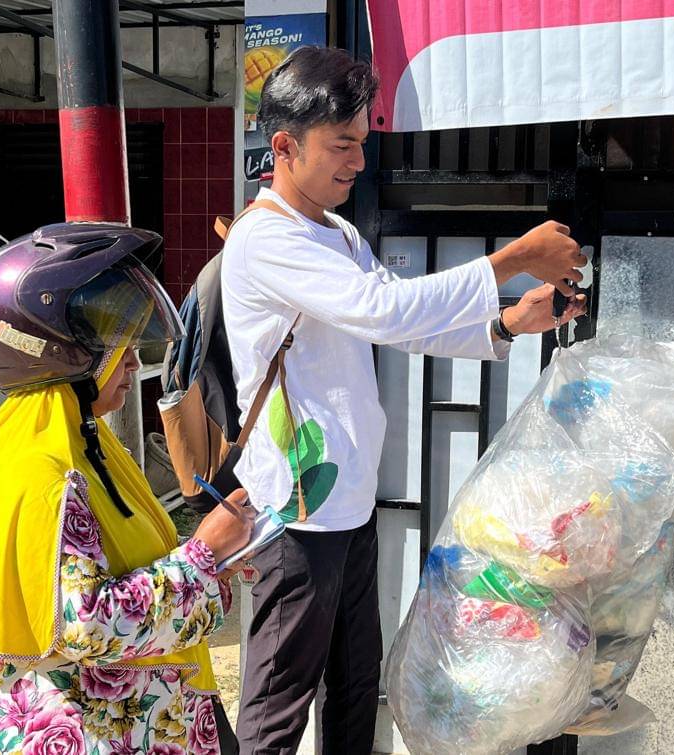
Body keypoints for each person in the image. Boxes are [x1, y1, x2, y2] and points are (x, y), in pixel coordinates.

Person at [221, 46, 588, 755]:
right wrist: (510, 257)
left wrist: (508, 321)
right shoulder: (266, 238)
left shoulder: (340, 234)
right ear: (285, 147)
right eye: (342, 145)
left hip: (348, 505)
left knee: (356, 686)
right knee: (278, 701)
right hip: (294, 512)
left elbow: (400, 318)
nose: (357, 162)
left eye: (363, 144)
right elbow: (380, 312)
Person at [0, 223, 254, 755]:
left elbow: (110, 571)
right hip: (89, 731)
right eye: (116, 344)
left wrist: (219, 558)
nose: (134, 361)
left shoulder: (65, 442)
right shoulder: (47, 470)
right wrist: (202, 557)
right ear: (61, 353)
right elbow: (87, 623)